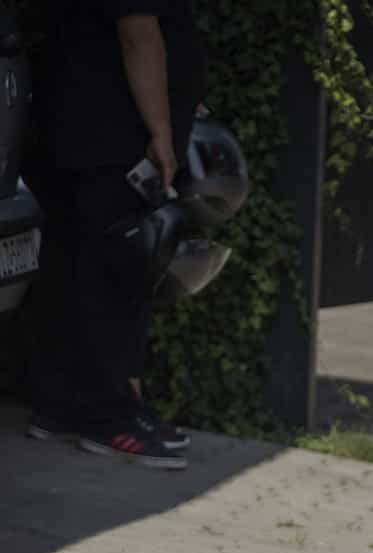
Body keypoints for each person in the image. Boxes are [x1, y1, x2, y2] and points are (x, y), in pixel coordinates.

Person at [23, 0, 202, 469]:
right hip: (111, 139)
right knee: (115, 277)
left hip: (74, 132)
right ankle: (111, 420)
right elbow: (138, 32)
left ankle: (62, 407)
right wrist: (161, 130)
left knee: (70, 270)